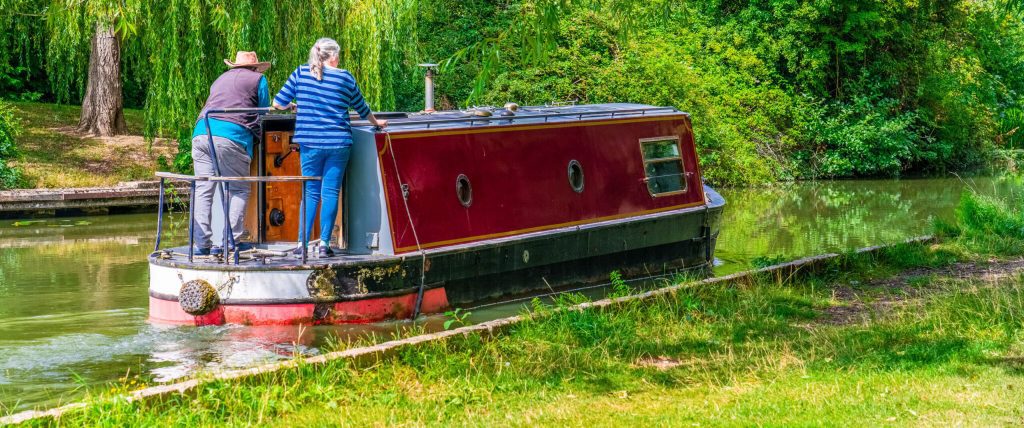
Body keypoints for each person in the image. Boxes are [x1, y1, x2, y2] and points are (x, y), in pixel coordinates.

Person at [273, 37, 388, 258]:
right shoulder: (345, 77)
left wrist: (295, 105)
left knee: (310, 193)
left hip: (310, 143)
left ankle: (302, 245)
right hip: (338, 143)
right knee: (330, 192)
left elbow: (278, 103)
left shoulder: (300, 73)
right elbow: (362, 109)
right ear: (334, 56)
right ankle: (325, 244)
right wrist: (376, 123)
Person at [191, 51, 271, 256]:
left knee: (203, 189)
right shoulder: (258, 79)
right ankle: (229, 242)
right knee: (238, 189)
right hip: (231, 136)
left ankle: (201, 244)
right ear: (255, 67)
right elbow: (264, 113)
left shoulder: (220, 78)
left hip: (201, 133)